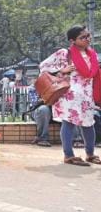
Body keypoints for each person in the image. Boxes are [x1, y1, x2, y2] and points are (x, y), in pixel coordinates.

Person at [39, 25, 101, 166]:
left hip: (86, 95)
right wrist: (62, 70)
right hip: (69, 94)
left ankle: (90, 154)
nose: (87, 39)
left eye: (88, 36)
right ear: (73, 40)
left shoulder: (92, 54)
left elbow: (94, 73)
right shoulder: (64, 53)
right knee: (69, 123)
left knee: (88, 124)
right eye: (83, 37)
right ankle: (69, 155)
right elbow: (43, 66)